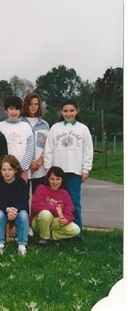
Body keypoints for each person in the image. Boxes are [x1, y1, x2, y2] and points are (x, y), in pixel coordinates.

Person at [44, 99, 93, 239]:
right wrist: (49, 169)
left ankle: (77, 234)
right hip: (57, 173)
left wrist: (86, 169)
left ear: (77, 111)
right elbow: (48, 150)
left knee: (74, 203)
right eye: (65, 111)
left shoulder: (83, 129)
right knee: (55, 203)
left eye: (71, 110)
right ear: (61, 112)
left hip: (74, 172)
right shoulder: (55, 128)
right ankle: (54, 231)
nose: (68, 113)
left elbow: (88, 151)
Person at [0, 155, 29, 256]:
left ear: (15, 170)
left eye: (10, 169)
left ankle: (22, 245)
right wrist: (7, 209)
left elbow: (24, 200)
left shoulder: (21, 182)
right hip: (1, 209)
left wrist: (15, 210)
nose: (7, 172)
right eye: (4, 169)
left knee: (24, 215)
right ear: (0, 170)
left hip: (16, 209)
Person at [31, 166, 81, 246]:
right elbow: (36, 206)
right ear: (48, 179)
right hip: (39, 221)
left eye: (58, 179)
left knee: (76, 229)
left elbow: (69, 211)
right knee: (45, 214)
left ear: (62, 180)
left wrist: (66, 219)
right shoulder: (41, 188)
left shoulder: (65, 193)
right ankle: (44, 239)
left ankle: (50, 236)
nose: (55, 182)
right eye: (52, 179)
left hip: (55, 222)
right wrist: (55, 209)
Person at [0, 95, 34, 182]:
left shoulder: (26, 126)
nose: (14, 112)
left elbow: (30, 149)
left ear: (20, 110)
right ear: (6, 110)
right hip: (5, 171)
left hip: (22, 170)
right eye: (11, 109)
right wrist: (4, 168)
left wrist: (21, 168)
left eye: (17, 109)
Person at [21, 93, 50, 194]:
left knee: (38, 199)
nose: (33, 107)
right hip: (24, 168)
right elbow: (20, 145)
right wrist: (30, 162)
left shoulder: (44, 125)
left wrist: (39, 161)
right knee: (23, 198)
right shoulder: (20, 123)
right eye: (30, 104)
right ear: (26, 105)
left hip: (40, 169)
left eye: (36, 104)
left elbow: (47, 146)